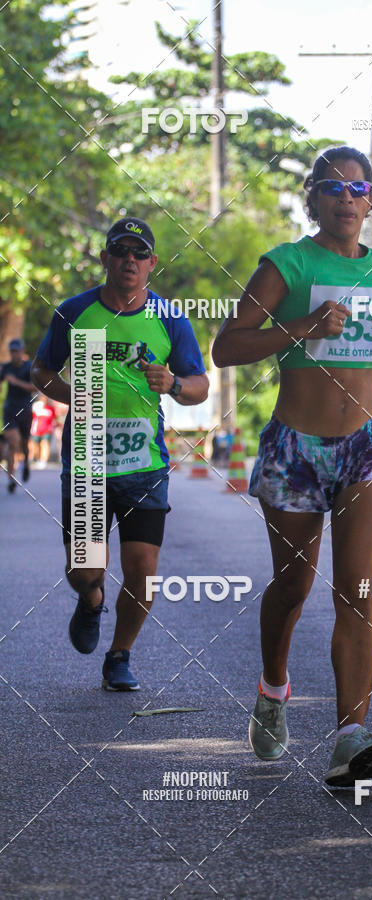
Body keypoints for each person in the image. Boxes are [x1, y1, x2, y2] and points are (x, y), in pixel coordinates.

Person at [212, 146, 372, 786]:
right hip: (297, 449)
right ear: (313, 198)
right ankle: (273, 688)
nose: (347, 199)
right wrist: (303, 325)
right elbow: (226, 347)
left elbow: (365, 351)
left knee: (357, 590)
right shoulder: (287, 264)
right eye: (333, 189)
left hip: (365, 445)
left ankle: (349, 737)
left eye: (359, 189)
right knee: (293, 588)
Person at [31, 217, 209, 690]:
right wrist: (71, 393)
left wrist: (173, 383)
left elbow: (200, 387)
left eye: (139, 253)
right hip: (88, 459)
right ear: (106, 258)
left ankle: (120, 654)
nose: (129, 260)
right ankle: (90, 602)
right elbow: (41, 371)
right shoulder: (75, 311)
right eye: (120, 251)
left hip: (143, 466)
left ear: (151, 263)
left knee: (143, 571)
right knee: (85, 570)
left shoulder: (170, 319)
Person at [1, 338, 37, 492]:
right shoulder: (6, 367)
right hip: (10, 409)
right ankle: (11, 478)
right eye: (12, 351)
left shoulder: (29, 367)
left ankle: (26, 462)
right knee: (13, 442)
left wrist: (15, 382)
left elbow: (33, 388)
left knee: (23, 443)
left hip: (25, 409)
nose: (14, 354)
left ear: (22, 351)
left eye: (17, 351)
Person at [30, 397, 56, 465]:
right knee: (35, 445)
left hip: (47, 430)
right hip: (36, 430)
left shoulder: (50, 408)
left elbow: (53, 418)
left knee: (45, 444)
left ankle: (43, 460)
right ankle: (37, 459)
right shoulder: (36, 407)